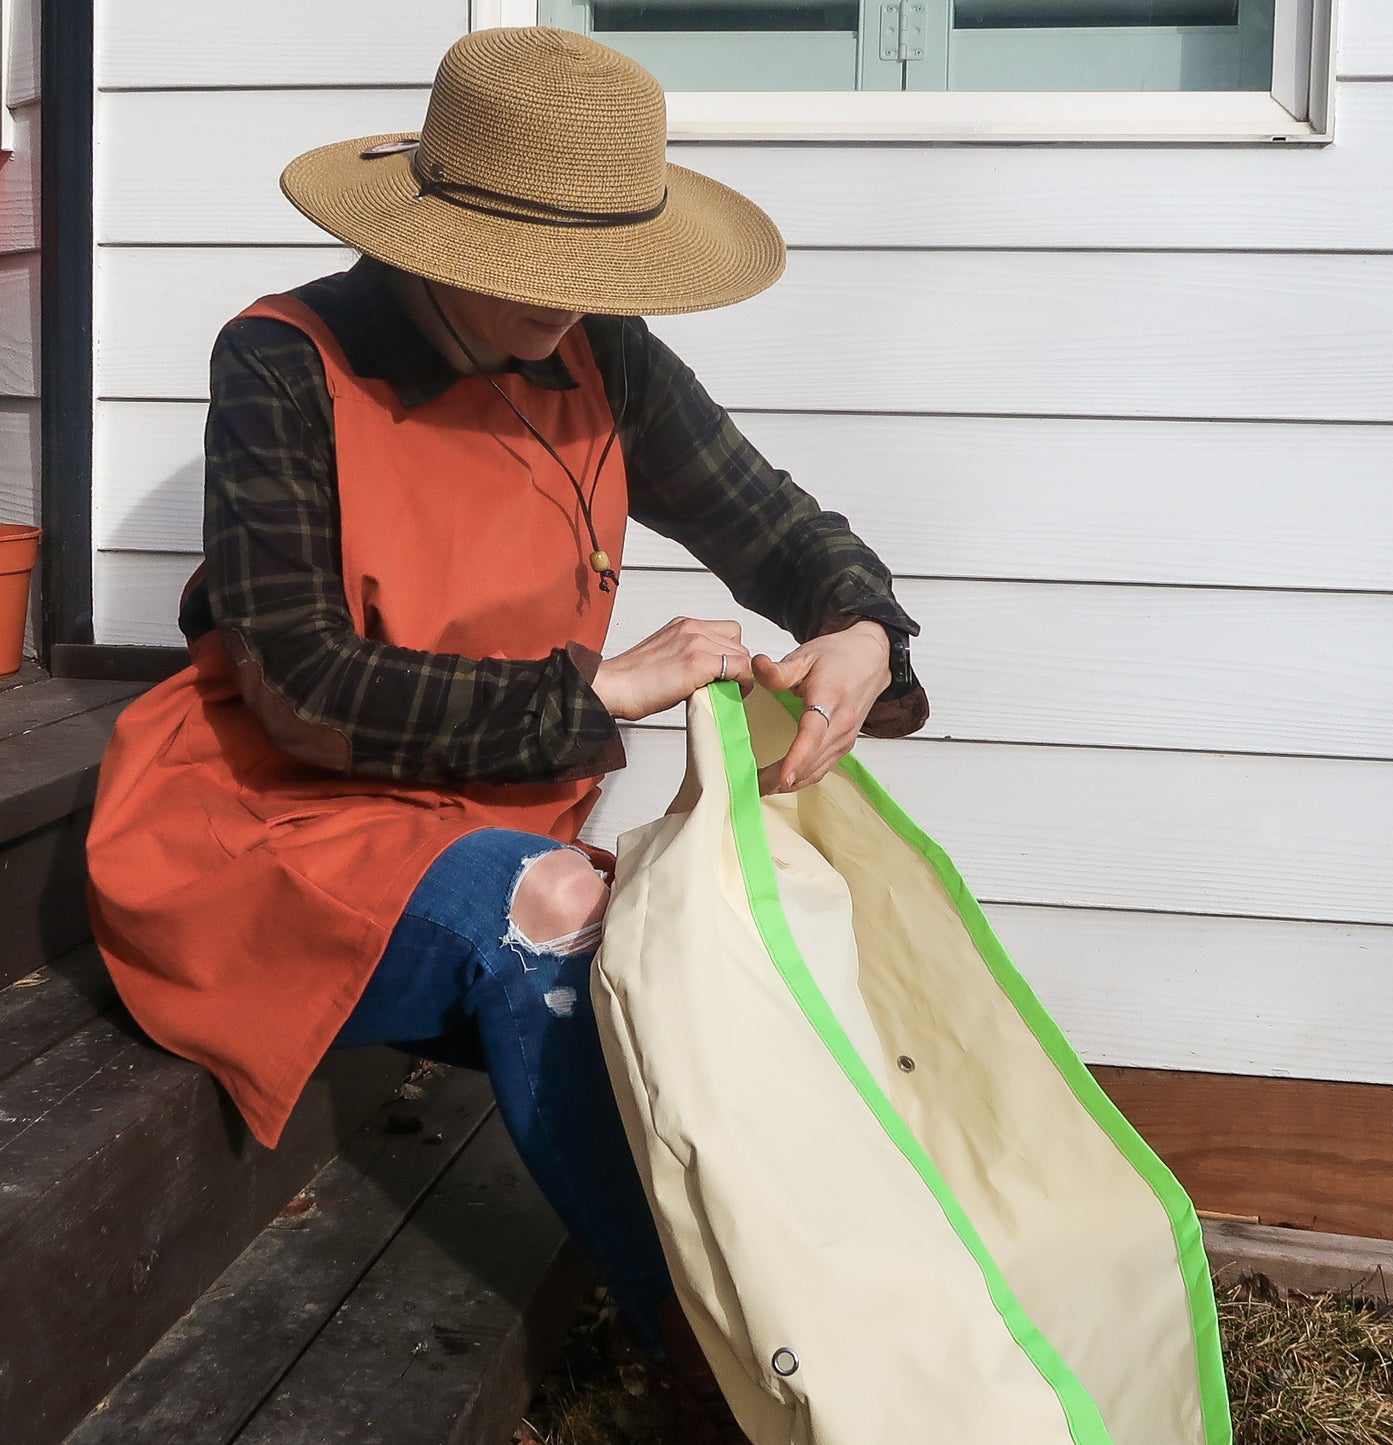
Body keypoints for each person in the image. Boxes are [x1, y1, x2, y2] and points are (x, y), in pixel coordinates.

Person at [87, 26, 927, 1442]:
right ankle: (727, 1379)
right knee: (554, 911)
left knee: (712, 920)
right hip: (261, 817)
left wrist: (861, 623)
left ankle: (845, 1305)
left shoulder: (607, 353)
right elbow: (303, 685)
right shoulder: (285, 363)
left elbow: (771, 522)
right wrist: (596, 694)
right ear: (430, 226)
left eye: (597, 272)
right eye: (536, 266)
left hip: (471, 814)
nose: (567, 305)